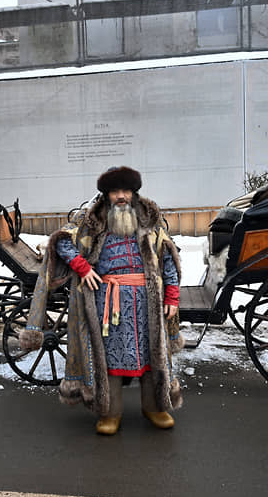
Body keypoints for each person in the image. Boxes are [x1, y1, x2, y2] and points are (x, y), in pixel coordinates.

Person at [20, 166, 183, 435]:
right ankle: (110, 412)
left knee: (152, 355)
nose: (121, 196)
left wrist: (172, 295)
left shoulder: (149, 220)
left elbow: (168, 256)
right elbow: (61, 241)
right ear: (106, 195)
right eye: (115, 192)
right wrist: (82, 266)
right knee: (108, 358)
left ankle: (154, 407)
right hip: (107, 304)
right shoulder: (92, 220)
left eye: (126, 191)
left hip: (147, 305)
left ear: (134, 193)